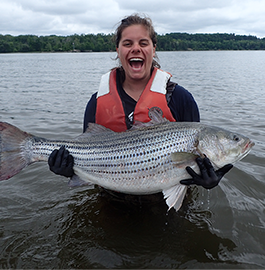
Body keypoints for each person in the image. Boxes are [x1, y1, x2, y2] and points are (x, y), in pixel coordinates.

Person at [47, 14, 232, 198]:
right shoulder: (96, 102)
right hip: (112, 199)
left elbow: (195, 168)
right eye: (128, 44)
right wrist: (68, 169)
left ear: (153, 49)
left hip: (161, 201)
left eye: (143, 43)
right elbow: (86, 148)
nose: (136, 48)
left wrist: (208, 179)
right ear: (118, 50)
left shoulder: (181, 99)